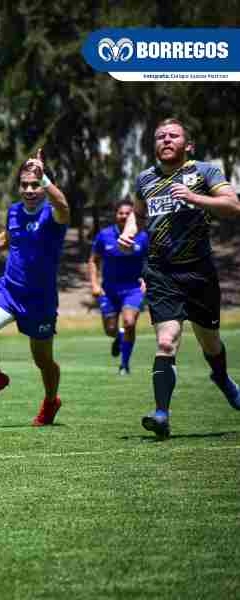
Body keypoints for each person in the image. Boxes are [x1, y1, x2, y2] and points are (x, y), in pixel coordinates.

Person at [118, 117, 240, 440]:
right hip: (161, 271)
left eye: (173, 136)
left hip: (199, 272)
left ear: (188, 145)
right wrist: (130, 232)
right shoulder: (145, 178)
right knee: (165, 340)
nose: (166, 140)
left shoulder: (205, 172)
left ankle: (222, 378)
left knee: (210, 342)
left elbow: (232, 205)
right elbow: (138, 214)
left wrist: (194, 197)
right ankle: (161, 414)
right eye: (160, 136)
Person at [0, 150, 70, 426]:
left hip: (40, 300)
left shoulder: (53, 215)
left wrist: (45, 180)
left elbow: (64, 206)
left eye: (35, 184)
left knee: (43, 361)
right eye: (25, 184)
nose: (29, 189)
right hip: (9, 290)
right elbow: (8, 235)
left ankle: (51, 401)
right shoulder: (14, 211)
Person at [88, 199, 149, 375]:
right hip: (109, 290)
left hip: (133, 289)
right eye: (120, 213)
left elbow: (153, 261)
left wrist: (149, 281)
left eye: (128, 213)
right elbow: (93, 260)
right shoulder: (104, 235)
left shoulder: (143, 236)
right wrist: (94, 284)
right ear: (116, 215)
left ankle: (124, 365)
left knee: (129, 323)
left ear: (133, 215)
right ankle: (120, 337)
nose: (124, 216)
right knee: (110, 330)